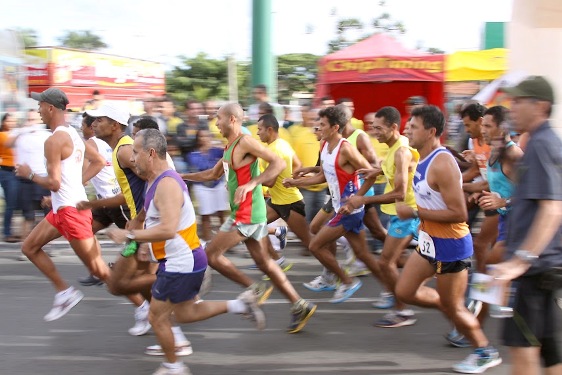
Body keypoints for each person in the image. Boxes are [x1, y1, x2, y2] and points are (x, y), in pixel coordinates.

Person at [107, 129, 265, 375]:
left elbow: (168, 228)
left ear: (151, 153)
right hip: (183, 260)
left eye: (136, 152)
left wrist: (129, 236)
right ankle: (240, 305)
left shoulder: (167, 184)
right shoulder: (155, 181)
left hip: (181, 261)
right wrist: (138, 227)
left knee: (157, 317)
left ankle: (174, 366)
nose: (133, 158)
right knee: (183, 312)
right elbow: (153, 219)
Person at [182, 103, 316, 333]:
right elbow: (211, 174)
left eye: (219, 118)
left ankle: (254, 289)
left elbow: (279, 163)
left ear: (232, 119)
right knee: (265, 262)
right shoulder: (229, 146)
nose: (216, 123)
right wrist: (181, 176)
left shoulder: (245, 141)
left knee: (211, 255)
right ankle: (300, 305)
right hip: (244, 211)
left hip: (248, 211)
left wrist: (252, 183)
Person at [395, 105, 501, 374]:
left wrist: (417, 212)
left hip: (452, 244)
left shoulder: (442, 162)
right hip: (430, 242)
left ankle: (484, 350)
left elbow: (459, 213)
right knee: (405, 292)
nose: (407, 129)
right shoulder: (422, 157)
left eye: (414, 126)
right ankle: (456, 308)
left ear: (431, 131)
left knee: (453, 306)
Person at [15, 87, 110, 321]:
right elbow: (98, 161)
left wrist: (29, 175)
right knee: (29, 247)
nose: (37, 110)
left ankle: (144, 304)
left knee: (98, 269)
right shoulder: (73, 134)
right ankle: (64, 293)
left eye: (40, 106)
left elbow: (55, 183)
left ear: (50, 108)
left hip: (70, 212)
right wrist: (75, 185)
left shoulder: (54, 140)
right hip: (63, 207)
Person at [491, 75, 562, 375]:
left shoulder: (542, 145)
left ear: (541, 106)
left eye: (519, 101)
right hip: (545, 271)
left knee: (523, 358)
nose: (512, 107)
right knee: (550, 357)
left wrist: (520, 262)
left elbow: (552, 209)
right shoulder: (541, 143)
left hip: (533, 275)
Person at [283, 105, 378, 303]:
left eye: (322, 125)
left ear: (335, 128)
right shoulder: (325, 145)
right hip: (336, 204)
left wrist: (357, 198)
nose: (318, 128)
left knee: (315, 246)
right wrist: (297, 181)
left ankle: (346, 280)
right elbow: (323, 176)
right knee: (317, 228)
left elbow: (370, 174)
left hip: (349, 209)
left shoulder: (346, 149)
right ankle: (331, 275)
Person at [343, 106, 420, 327]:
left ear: (393, 127)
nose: (373, 131)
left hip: (406, 214)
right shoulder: (393, 147)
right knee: (393, 260)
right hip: (397, 214)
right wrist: (375, 172)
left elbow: (398, 192)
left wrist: (362, 200)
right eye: (371, 127)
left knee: (386, 262)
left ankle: (403, 310)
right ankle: (402, 293)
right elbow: (394, 169)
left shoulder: (401, 150)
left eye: (378, 128)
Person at [186, 129, 229, 241]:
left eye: (207, 136)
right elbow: (202, 170)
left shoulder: (216, 151)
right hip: (202, 186)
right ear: (198, 139)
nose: (204, 138)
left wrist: (219, 145)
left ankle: (223, 240)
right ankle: (208, 241)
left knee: (221, 213)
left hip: (218, 184)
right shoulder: (193, 155)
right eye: (202, 136)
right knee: (206, 214)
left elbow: (228, 152)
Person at [0, 113, 21, 242]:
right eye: (9, 121)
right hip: (7, 172)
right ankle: (7, 232)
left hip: (17, 171)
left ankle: (12, 231)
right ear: (3, 122)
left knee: (15, 202)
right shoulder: (3, 136)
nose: (12, 123)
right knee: (10, 203)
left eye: (14, 120)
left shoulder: (15, 134)